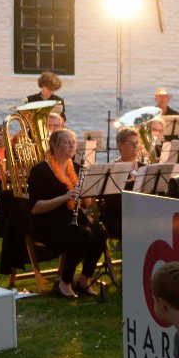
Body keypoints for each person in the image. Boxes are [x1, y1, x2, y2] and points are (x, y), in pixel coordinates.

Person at [26, 128, 107, 299]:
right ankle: (65, 283)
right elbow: (35, 208)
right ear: (54, 145)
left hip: (72, 218)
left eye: (73, 142)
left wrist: (87, 191)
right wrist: (64, 197)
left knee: (100, 231)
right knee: (82, 235)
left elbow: (84, 204)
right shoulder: (40, 171)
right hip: (47, 222)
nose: (72, 145)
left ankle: (85, 280)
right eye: (66, 142)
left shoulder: (76, 168)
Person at [99, 127, 143, 238]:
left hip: (140, 214)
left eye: (137, 143)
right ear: (120, 145)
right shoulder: (111, 170)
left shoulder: (144, 168)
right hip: (118, 217)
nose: (135, 146)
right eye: (131, 143)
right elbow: (110, 204)